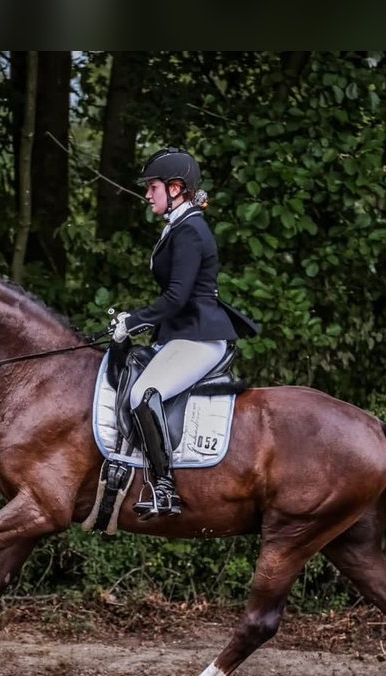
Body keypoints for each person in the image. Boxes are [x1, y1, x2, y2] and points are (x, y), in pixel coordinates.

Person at [111, 147, 260, 518]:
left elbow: (177, 297)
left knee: (145, 395)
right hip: (182, 333)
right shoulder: (180, 225)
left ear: (176, 188)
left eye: (153, 187)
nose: (148, 195)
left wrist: (133, 321)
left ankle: (165, 489)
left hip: (200, 337)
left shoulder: (190, 229)